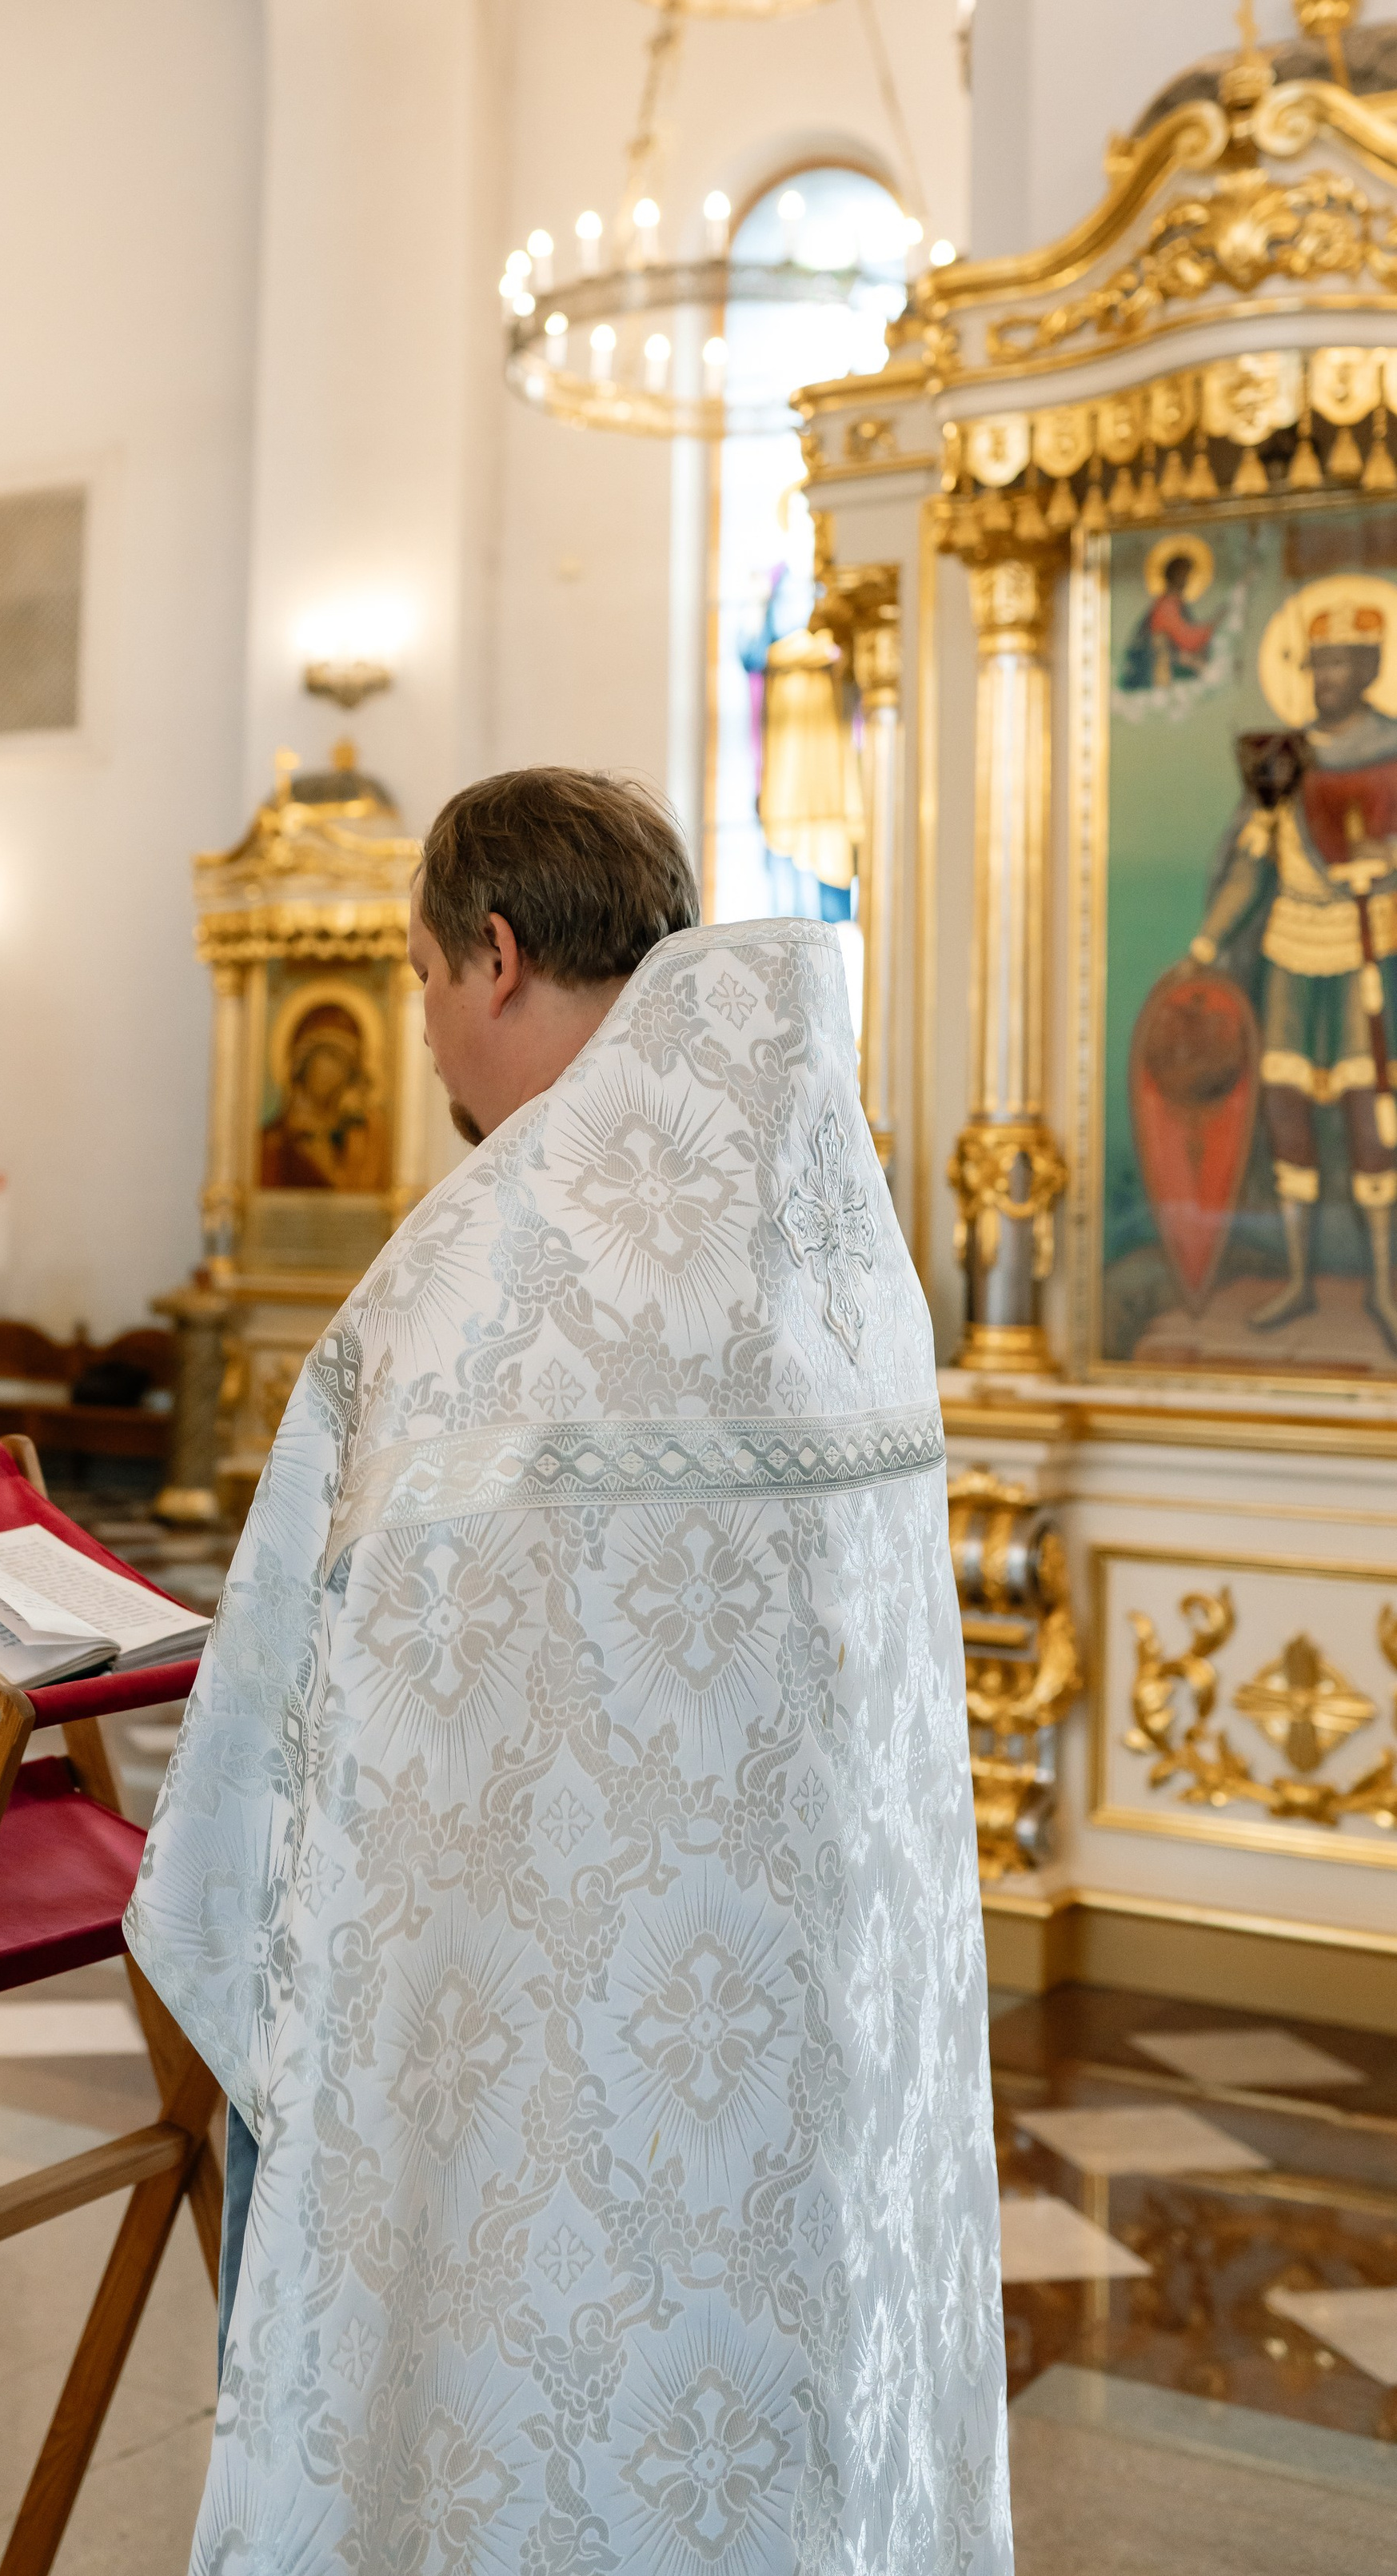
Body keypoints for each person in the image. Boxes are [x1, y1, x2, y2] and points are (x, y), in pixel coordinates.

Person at [127, 765, 1009, 2574]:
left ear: (497, 955)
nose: (431, 1036)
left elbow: (314, 1687)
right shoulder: (829, 1223)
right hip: (816, 2049)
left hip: (547, 2080)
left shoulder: (488, 1261)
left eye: (422, 980)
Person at [1187, 598, 1397, 1348]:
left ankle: (1384, 1285)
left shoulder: (1394, 751)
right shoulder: (1284, 758)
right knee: (1286, 1107)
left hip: (1367, 946)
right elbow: (1251, 868)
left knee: (1369, 1113)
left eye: (1338, 662)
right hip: (1288, 950)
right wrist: (1208, 946)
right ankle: (1301, 1279)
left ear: (1370, 669)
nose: (1323, 678)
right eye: (1315, 664)